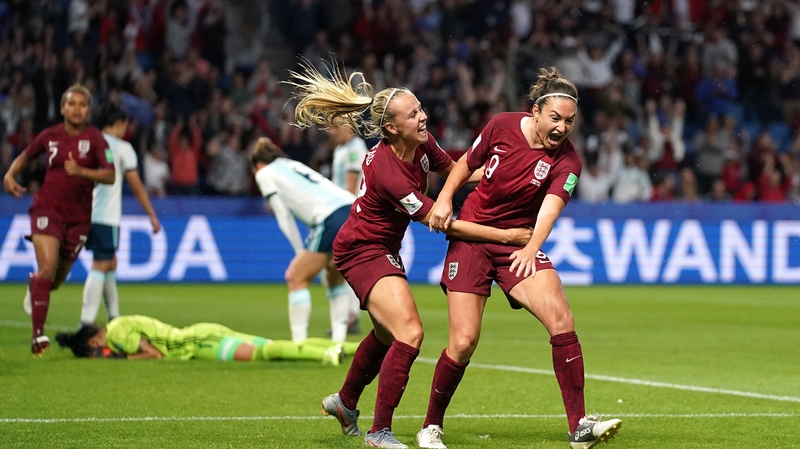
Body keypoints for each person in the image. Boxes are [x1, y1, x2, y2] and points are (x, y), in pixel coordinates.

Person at [287, 61, 533, 448]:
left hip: (383, 247)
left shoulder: (421, 143)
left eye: (420, 109)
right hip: (361, 249)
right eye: (413, 114)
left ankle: (345, 402)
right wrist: (506, 235)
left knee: (386, 333)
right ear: (391, 127)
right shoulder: (389, 171)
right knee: (410, 333)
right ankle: (379, 432)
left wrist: (506, 167)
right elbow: (443, 223)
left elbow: (455, 171)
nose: (423, 117)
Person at [423, 67, 623, 449]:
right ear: (535, 112)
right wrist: (445, 198)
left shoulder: (569, 162)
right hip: (472, 237)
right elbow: (466, 164)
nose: (562, 128)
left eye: (569, 121)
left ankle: (579, 427)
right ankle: (431, 426)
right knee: (463, 342)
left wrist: (531, 248)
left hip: (518, 243)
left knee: (562, 319)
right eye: (555, 118)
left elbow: (550, 210)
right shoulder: (501, 125)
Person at [3, 84, 115, 356]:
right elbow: (26, 155)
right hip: (47, 211)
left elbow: (110, 175)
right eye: (72, 104)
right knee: (47, 268)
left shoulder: (97, 139)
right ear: (63, 108)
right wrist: (10, 174)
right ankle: (37, 335)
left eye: (82, 105)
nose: (77, 109)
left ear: (89, 110)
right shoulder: (49, 135)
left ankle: (35, 284)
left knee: (54, 281)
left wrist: (81, 170)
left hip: (78, 220)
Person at [250, 137, 357, 344]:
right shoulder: (291, 164)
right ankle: (339, 342)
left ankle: (298, 343)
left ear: (258, 165)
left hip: (331, 217)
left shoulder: (264, 173)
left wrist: (300, 251)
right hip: (353, 209)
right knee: (334, 276)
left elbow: (283, 215)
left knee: (296, 277)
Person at [79, 102, 161, 327]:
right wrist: (152, 215)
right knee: (101, 264)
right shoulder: (122, 148)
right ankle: (85, 323)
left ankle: (114, 318)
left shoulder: (88, 142)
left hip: (85, 213)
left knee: (110, 263)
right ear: (118, 123)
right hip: (105, 216)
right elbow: (137, 186)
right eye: (125, 124)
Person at [55, 315, 357, 363]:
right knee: (270, 346)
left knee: (262, 354)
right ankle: (356, 348)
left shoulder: (118, 334)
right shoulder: (119, 323)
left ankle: (325, 356)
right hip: (201, 333)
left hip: (200, 344)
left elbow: (152, 354)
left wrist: (123, 358)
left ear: (93, 342)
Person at [327, 123, 370, 335]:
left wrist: (343, 218)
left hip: (348, 213)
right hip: (339, 211)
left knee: (343, 265)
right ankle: (346, 315)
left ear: (348, 126)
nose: (331, 131)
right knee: (338, 267)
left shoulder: (355, 148)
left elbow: (351, 185)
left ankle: (350, 315)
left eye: (335, 127)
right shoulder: (341, 149)